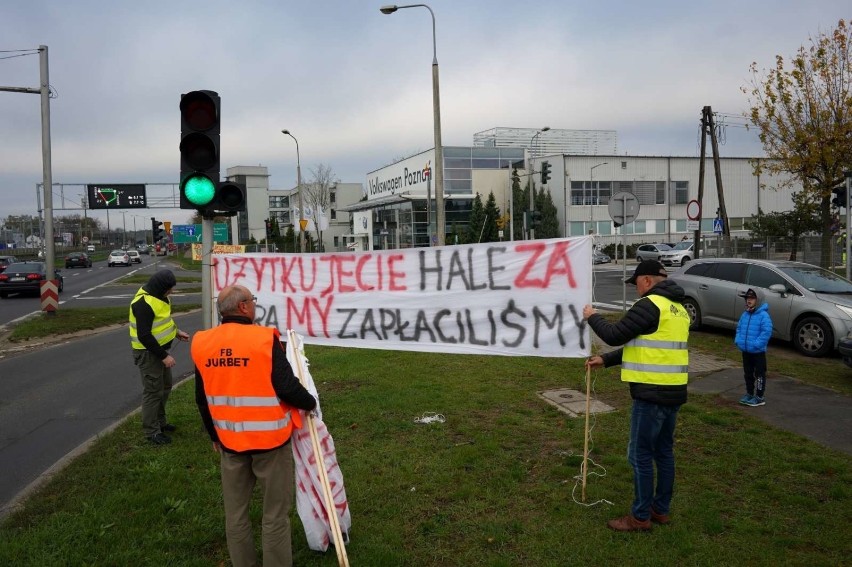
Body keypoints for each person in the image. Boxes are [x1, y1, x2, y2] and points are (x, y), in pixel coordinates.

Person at [193, 285, 317, 567]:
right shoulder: (263, 338)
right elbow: (286, 386)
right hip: (270, 442)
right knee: (275, 514)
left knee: (235, 514)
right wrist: (310, 403)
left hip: (230, 443)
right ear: (243, 307)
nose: (255, 305)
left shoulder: (202, 342)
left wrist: (214, 435)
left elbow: (201, 398)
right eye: (253, 300)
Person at [582, 260, 690, 532]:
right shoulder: (677, 309)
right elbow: (643, 344)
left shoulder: (650, 304)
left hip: (651, 394)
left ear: (647, 280)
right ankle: (660, 510)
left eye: (636, 284)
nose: (636, 290)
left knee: (640, 455)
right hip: (673, 391)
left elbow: (614, 334)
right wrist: (605, 361)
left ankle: (640, 516)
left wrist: (591, 316)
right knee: (664, 452)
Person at [130, 268, 189, 445]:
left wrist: (176, 332)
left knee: (164, 388)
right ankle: (152, 432)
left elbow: (163, 320)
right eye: (169, 288)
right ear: (161, 287)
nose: (172, 291)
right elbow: (144, 335)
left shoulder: (161, 297)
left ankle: (161, 423)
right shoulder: (143, 304)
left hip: (158, 352)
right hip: (149, 354)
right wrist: (164, 356)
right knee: (153, 392)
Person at [734, 288, 773, 407]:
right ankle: (749, 393)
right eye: (747, 298)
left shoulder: (763, 315)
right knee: (748, 373)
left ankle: (760, 397)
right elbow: (739, 328)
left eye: (752, 298)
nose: (749, 300)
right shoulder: (745, 314)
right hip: (746, 351)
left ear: (758, 300)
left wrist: (757, 344)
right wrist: (738, 340)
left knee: (760, 374)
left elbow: (766, 331)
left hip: (757, 352)